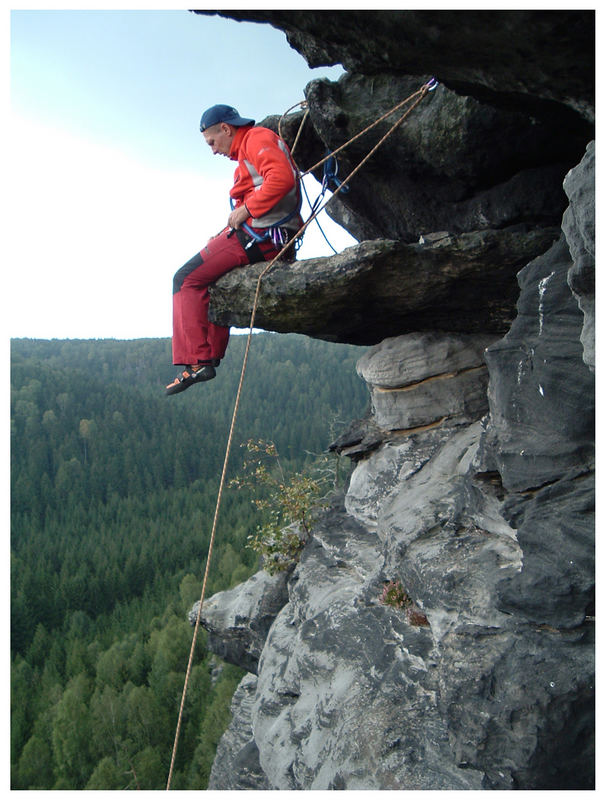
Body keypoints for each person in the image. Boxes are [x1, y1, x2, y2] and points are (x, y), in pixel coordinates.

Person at [165, 104, 302, 396]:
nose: (213, 150)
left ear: (226, 129)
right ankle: (208, 356)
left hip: (261, 236)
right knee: (209, 281)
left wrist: (246, 211)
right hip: (265, 234)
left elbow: (282, 179)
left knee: (185, 279)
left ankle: (198, 361)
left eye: (212, 141)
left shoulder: (255, 139)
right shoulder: (249, 151)